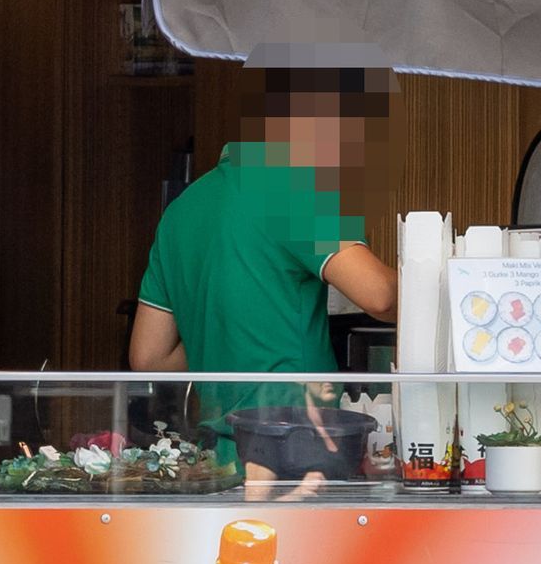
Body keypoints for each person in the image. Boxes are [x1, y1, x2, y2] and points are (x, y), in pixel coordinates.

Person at [130, 69, 401, 437]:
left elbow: (150, 359)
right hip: (297, 451)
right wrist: (460, 290)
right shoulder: (294, 188)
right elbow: (381, 296)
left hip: (220, 461)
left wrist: (230, 334)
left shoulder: (182, 210)